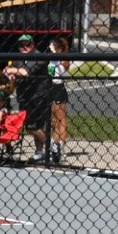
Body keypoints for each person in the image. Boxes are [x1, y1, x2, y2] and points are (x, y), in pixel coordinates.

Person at [4, 34, 52, 163]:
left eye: (27, 45)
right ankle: (39, 152)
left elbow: (25, 72)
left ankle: (52, 145)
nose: (24, 47)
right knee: (35, 126)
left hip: (38, 96)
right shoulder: (18, 58)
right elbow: (9, 71)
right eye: (21, 45)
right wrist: (11, 72)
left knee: (33, 126)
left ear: (32, 45)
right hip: (24, 96)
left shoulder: (39, 56)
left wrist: (12, 70)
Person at [48, 37, 71, 165]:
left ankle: (58, 145)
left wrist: (56, 53)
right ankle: (56, 144)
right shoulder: (50, 58)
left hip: (58, 88)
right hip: (49, 88)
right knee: (54, 120)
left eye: (53, 46)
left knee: (61, 119)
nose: (50, 48)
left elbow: (62, 70)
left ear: (59, 48)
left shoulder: (63, 59)